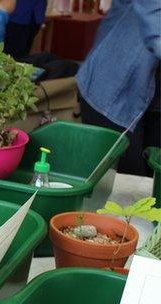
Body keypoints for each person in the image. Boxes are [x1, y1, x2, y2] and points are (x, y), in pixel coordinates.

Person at [76, 0, 160, 176]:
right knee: (127, 185)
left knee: (154, 183)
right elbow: (155, 20)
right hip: (114, 93)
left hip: (153, 97)